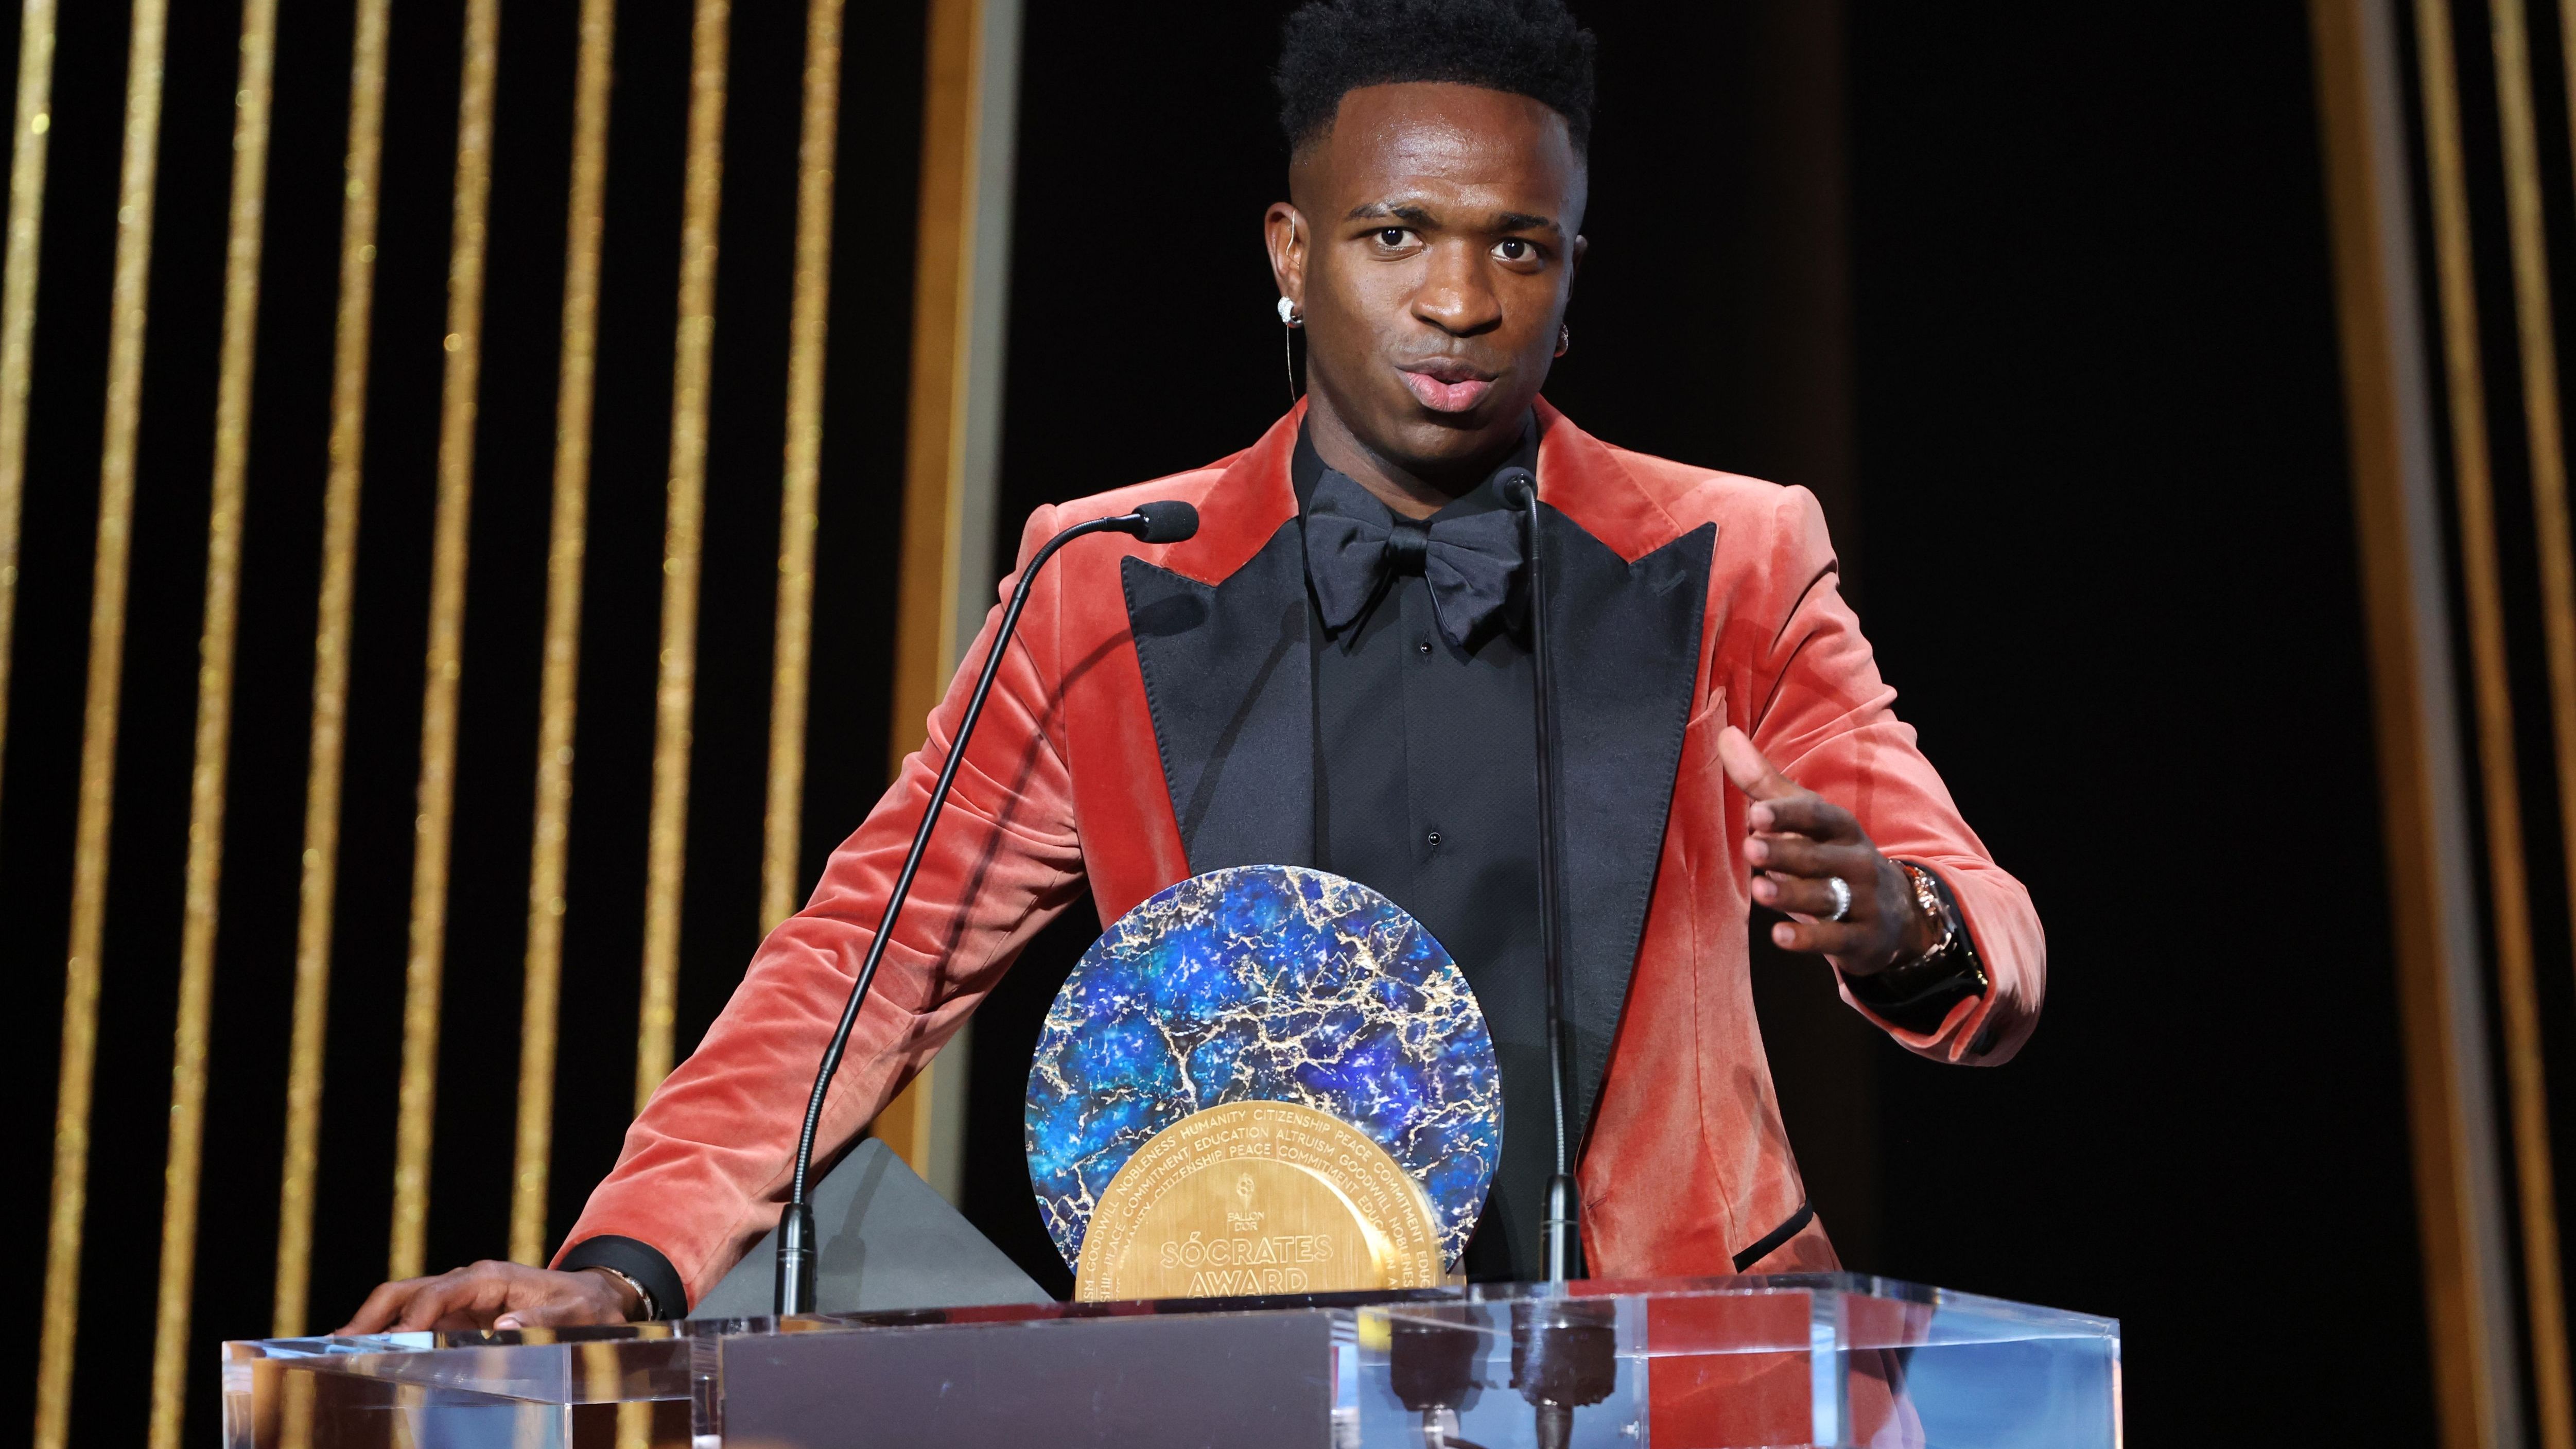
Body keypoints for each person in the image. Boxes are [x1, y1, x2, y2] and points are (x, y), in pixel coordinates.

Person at [340, 0, 2041, 1337]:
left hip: (1669, 1374)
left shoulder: (1730, 555)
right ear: (1294, 259)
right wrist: (630, 1260)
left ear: (1571, 278)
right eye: (1396, 235)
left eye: (1517, 245)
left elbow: (1988, 933)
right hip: (1252, 1369)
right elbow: (866, 959)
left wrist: (1903, 924)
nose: (1458, 296)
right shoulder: (1099, 579)